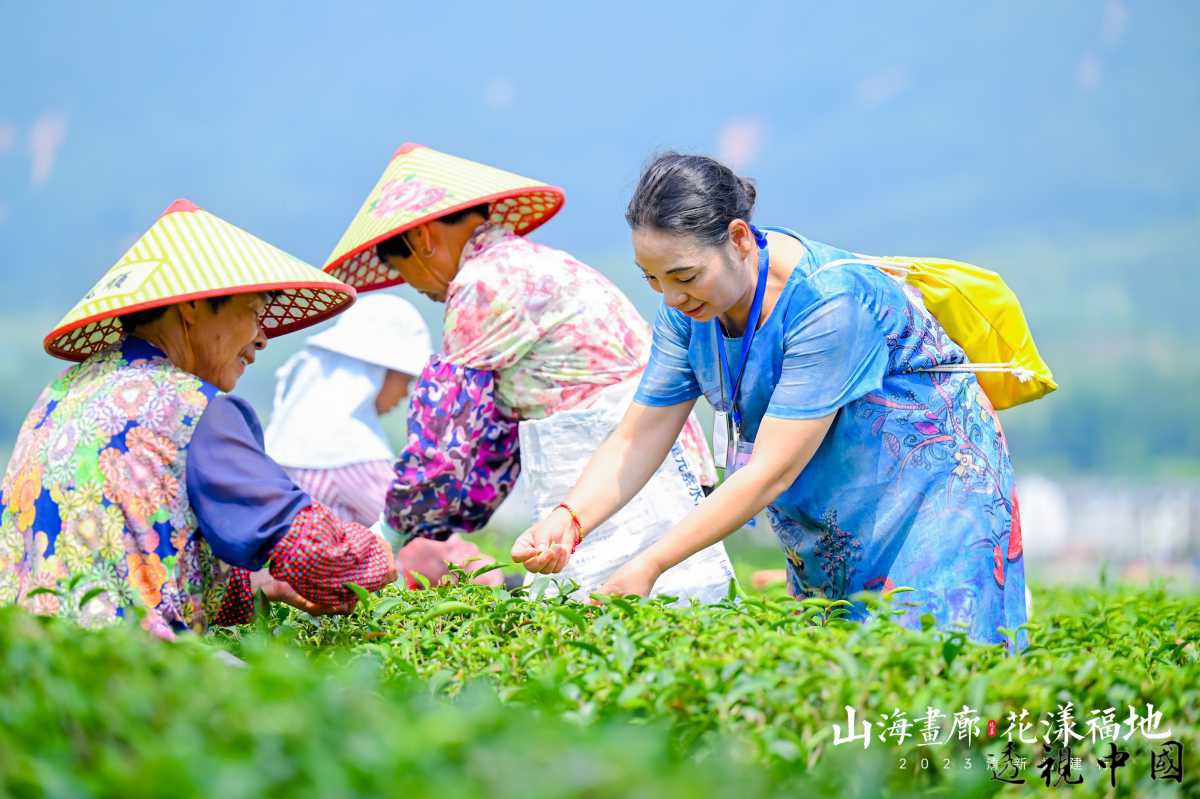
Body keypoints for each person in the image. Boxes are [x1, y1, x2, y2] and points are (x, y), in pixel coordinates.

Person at [513, 154, 1027, 648]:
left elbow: (769, 473)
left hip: (935, 489)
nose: (669, 297)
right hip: (839, 502)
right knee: (844, 681)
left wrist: (648, 566)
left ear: (738, 239)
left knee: (934, 671)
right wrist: (569, 516)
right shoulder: (688, 309)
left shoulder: (831, 302)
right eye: (652, 278)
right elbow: (640, 434)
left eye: (684, 276)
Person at [323, 143, 733, 601]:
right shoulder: (532, 264)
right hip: (647, 456)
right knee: (666, 615)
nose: (417, 288)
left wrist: (392, 529)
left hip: (615, 469)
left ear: (421, 242)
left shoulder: (481, 285)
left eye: (404, 270)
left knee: (608, 618)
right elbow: (490, 437)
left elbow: (446, 440)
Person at [0, 199, 396, 639]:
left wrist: (262, 582)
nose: (263, 338)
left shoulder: (62, 392)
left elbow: (146, 545)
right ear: (192, 307)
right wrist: (391, 547)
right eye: (255, 312)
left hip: (31, 666)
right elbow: (322, 556)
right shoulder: (191, 408)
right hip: (129, 671)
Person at [264, 292, 500, 587]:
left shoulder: (301, 435)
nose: (405, 393)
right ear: (375, 372)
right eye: (403, 379)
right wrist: (492, 576)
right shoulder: (346, 447)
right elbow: (421, 538)